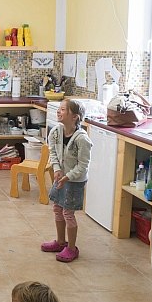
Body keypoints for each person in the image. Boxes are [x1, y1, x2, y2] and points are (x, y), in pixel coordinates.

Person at [41, 99, 92, 262]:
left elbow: (83, 165)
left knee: (68, 213)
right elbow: (53, 152)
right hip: (60, 176)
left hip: (74, 180)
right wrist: (56, 169)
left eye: (63, 109)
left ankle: (71, 248)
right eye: (59, 109)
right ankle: (60, 242)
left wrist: (68, 176)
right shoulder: (55, 131)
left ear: (75, 117)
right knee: (57, 208)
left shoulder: (82, 139)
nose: (59, 112)